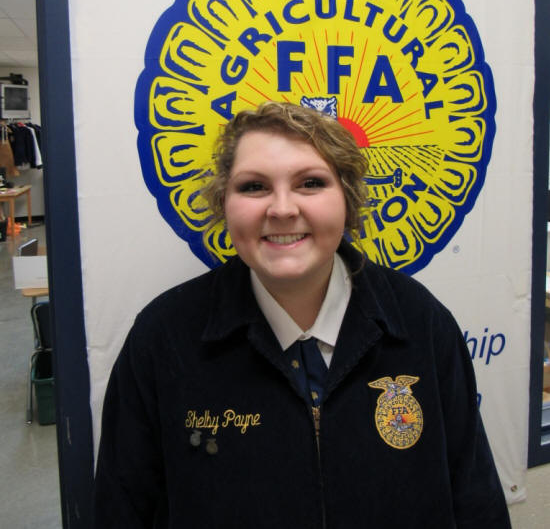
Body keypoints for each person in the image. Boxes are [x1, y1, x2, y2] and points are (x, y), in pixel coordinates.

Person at [93, 101, 511, 528]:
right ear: (223, 203)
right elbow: (122, 508)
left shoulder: (421, 322)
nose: (282, 209)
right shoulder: (163, 339)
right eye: (254, 187)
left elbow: (475, 498)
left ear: (348, 198)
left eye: (311, 183)